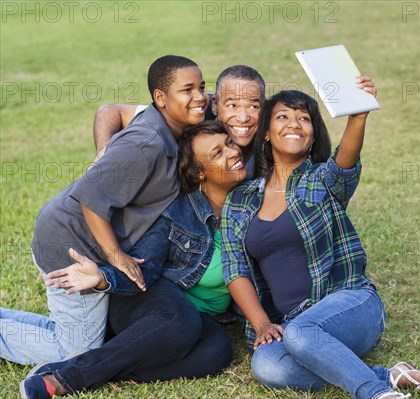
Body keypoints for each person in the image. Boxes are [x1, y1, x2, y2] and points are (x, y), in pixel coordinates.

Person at [221, 77, 420, 399]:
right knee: (267, 365)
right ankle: (388, 375)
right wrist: (263, 324)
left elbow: (345, 160)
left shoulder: (321, 181)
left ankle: (375, 393)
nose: (295, 124)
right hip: (291, 322)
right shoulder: (240, 199)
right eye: (283, 117)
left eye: (304, 118)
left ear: (312, 134)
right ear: (265, 132)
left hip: (351, 304)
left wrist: (358, 116)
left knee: (300, 334)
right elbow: (235, 267)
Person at [0, 55, 208, 366]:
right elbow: (91, 199)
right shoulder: (146, 143)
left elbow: (110, 110)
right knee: (75, 352)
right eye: (187, 89)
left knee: (75, 337)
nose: (200, 97)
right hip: (70, 244)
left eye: (203, 87)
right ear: (160, 98)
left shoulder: (164, 124)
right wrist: (115, 256)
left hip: (80, 240)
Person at [19, 121, 246, 398]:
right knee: (180, 321)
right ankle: (61, 379)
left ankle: (106, 362)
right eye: (218, 153)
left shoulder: (250, 203)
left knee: (217, 351)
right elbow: (145, 269)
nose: (233, 153)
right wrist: (103, 279)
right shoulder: (177, 212)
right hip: (146, 299)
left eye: (230, 144)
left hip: (199, 316)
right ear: (199, 173)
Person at [93, 65, 264, 177]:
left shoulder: (271, 131)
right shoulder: (196, 112)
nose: (243, 118)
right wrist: (103, 152)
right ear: (215, 106)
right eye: (232, 105)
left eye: (253, 106)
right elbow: (109, 112)